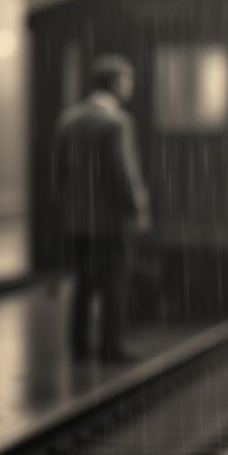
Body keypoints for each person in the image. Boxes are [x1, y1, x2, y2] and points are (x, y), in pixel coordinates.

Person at [53, 53, 151, 363]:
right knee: (114, 283)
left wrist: (67, 210)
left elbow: (59, 172)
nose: (131, 87)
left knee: (83, 281)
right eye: (127, 81)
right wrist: (137, 208)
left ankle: (78, 343)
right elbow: (123, 174)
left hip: (77, 221)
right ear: (115, 83)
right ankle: (111, 344)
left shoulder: (69, 119)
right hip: (111, 221)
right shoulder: (116, 123)